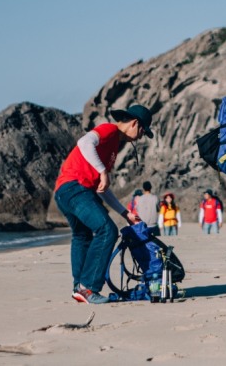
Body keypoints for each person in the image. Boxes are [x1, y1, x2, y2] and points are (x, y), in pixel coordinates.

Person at [54, 104, 153, 304]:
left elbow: (103, 187)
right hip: (76, 188)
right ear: (134, 123)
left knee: (82, 236)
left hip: (65, 191)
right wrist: (102, 170)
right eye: (143, 130)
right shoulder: (110, 130)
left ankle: (79, 288)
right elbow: (84, 142)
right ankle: (88, 288)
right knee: (107, 230)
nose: (142, 136)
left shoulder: (114, 145)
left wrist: (125, 213)